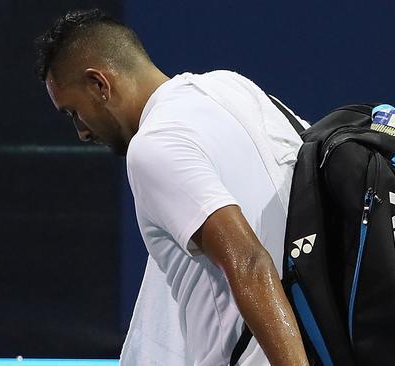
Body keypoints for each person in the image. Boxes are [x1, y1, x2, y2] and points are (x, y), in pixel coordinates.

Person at [34, 8, 311, 366]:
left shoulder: (151, 148)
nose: (82, 131)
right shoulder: (232, 87)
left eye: (73, 112)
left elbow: (250, 261)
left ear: (99, 85)